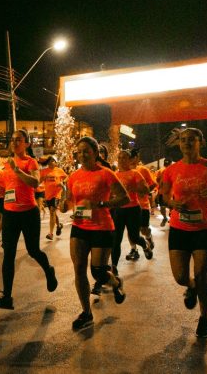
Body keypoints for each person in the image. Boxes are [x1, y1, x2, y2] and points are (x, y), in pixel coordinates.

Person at [160, 127, 207, 338]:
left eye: (191, 140)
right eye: (183, 140)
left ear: (200, 143)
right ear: (179, 144)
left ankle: (204, 318)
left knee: (203, 276)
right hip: (179, 229)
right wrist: (173, 203)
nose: (186, 143)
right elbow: (164, 196)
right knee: (180, 277)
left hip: (204, 229)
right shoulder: (171, 170)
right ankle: (190, 286)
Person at [59, 137, 129, 330]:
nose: (82, 154)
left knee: (97, 271)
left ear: (96, 153)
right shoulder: (73, 176)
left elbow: (124, 198)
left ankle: (115, 283)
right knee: (79, 268)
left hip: (102, 227)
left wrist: (100, 204)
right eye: (79, 151)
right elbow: (69, 201)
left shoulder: (106, 174)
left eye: (86, 151)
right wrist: (64, 205)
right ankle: (86, 313)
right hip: (80, 226)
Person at [0, 129, 57, 310]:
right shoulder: (4, 166)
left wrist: (17, 169)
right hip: (10, 214)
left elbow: (35, 183)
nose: (15, 142)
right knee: (9, 254)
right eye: (12, 140)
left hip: (29, 213)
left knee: (33, 250)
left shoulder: (31, 162)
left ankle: (49, 271)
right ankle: (7, 296)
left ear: (27, 144)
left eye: (19, 140)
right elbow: (3, 190)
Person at [113, 150, 153, 263]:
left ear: (129, 160)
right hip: (119, 210)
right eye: (119, 157)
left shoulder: (135, 173)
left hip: (133, 209)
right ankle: (114, 268)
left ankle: (145, 245)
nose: (121, 160)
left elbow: (146, 189)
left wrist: (133, 188)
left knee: (134, 237)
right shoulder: (114, 175)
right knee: (116, 240)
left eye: (124, 158)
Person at [130, 149, 157, 249]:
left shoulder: (143, 170)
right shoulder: (124, 170)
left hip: (143, 205)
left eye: (133, 157)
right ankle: (133, 249)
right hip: (129, 205)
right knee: (131, 230)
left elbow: (153, 184)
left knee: (143, 229)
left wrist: (144, 191)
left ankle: (149, 238)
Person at [40, 156, 67, 240]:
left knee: (52, 211)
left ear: (56, 162)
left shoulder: (59, 170)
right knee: (53, 213)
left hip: (56, 194)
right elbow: (39, 181)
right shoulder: (44, 171)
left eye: (53, 161)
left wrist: (62, 183)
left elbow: (66, 177)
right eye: (50, 161)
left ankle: (51, 233)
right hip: (48, 195)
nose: (51, 162)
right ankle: (58, 226)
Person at [156, 159, 172, 226]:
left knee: (162, 207)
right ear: (170, 163)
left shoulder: (160, 170)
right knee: (171, 207)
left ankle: (165, 218)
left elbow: (157, 180)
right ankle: (170, 219)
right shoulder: (171, 170)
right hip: (170, 192)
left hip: (162, 191)